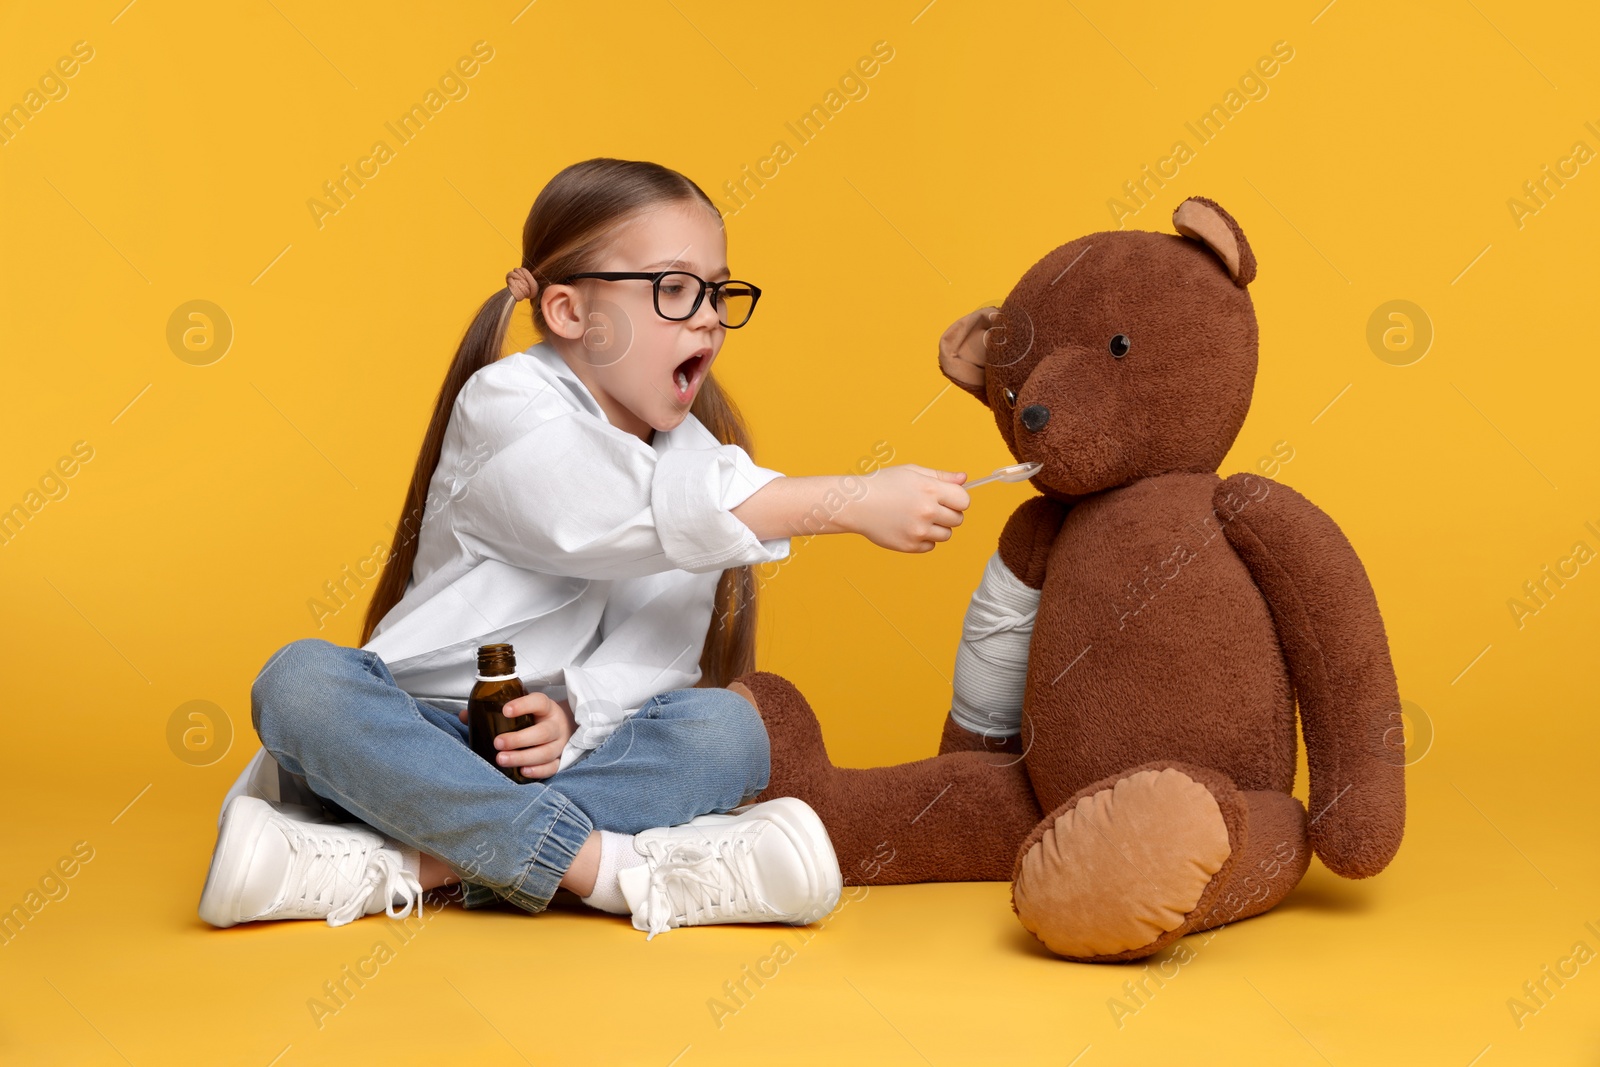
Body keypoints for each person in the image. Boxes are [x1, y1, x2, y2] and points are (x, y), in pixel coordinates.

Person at [197, 157, 972, 939]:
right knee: (301, 683)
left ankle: (408, 866)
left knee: (730, 731)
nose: (707, 316)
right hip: (416, 740)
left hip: (566, 761)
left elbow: (661, 647)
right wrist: (852, 500)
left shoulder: (698, 460)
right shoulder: (506, 405)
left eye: (718, 291)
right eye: (674, 289)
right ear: (569, 312)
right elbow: (607, 512)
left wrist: (575, 716)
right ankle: (610, 870)